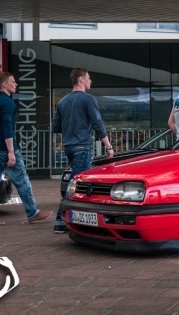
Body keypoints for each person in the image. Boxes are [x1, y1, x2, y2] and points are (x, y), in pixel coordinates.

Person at [0, 72, 51, 228]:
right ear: (5, 84)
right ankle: (32, 212)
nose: (16, 84)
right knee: (22, 181)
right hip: (5, 150)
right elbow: (7, 128)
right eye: (13, 81)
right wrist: (11, 152)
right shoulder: (8, 103)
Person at [52, 68, 114, 234]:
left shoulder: (62, 102)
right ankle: (60, 219)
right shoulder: (88, 99)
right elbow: (97, 123)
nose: (90, 81)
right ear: (81, 80)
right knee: (77, 184)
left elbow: (55, 127)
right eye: (88, 78)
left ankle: (76, 218)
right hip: (82, 146)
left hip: (69, 147)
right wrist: (109, 146)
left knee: (76, 181)